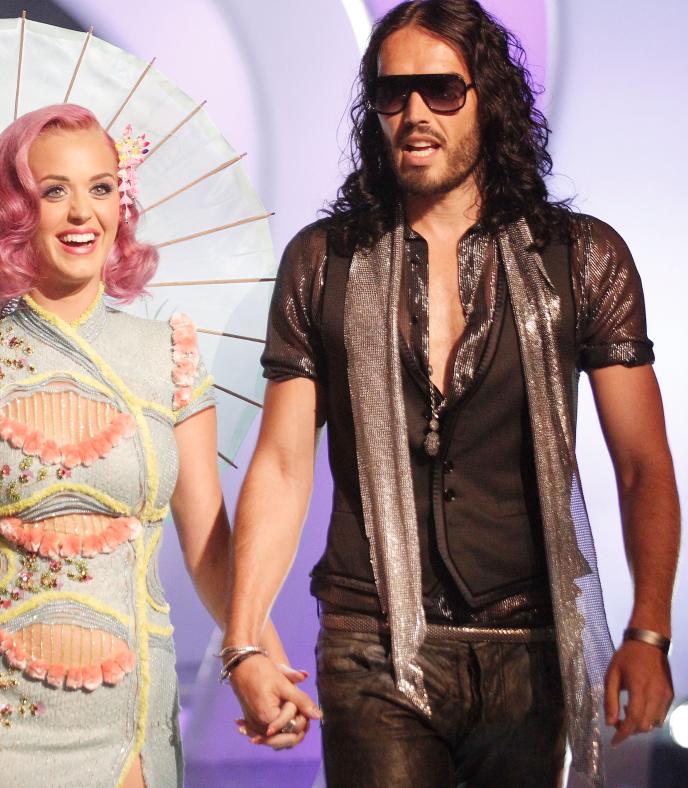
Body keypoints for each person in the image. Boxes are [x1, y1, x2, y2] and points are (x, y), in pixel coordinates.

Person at [223, 1, 679, 785]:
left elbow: (642, 465)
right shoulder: (324, 261)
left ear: (487, 97)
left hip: (530, 641)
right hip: (371, 637)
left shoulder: (582, 257)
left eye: (440, 89)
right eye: (392, 94)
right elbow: (283, 465)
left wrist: (649, 632)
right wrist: (244, 639)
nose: (413, 114)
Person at [0, 104, 305, 787]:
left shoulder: (167, 352)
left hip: (131, 712)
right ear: (13, 212)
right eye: (53, 191)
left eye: (100, 187)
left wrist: (255, 654)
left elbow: (208, 539)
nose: (82, 212)